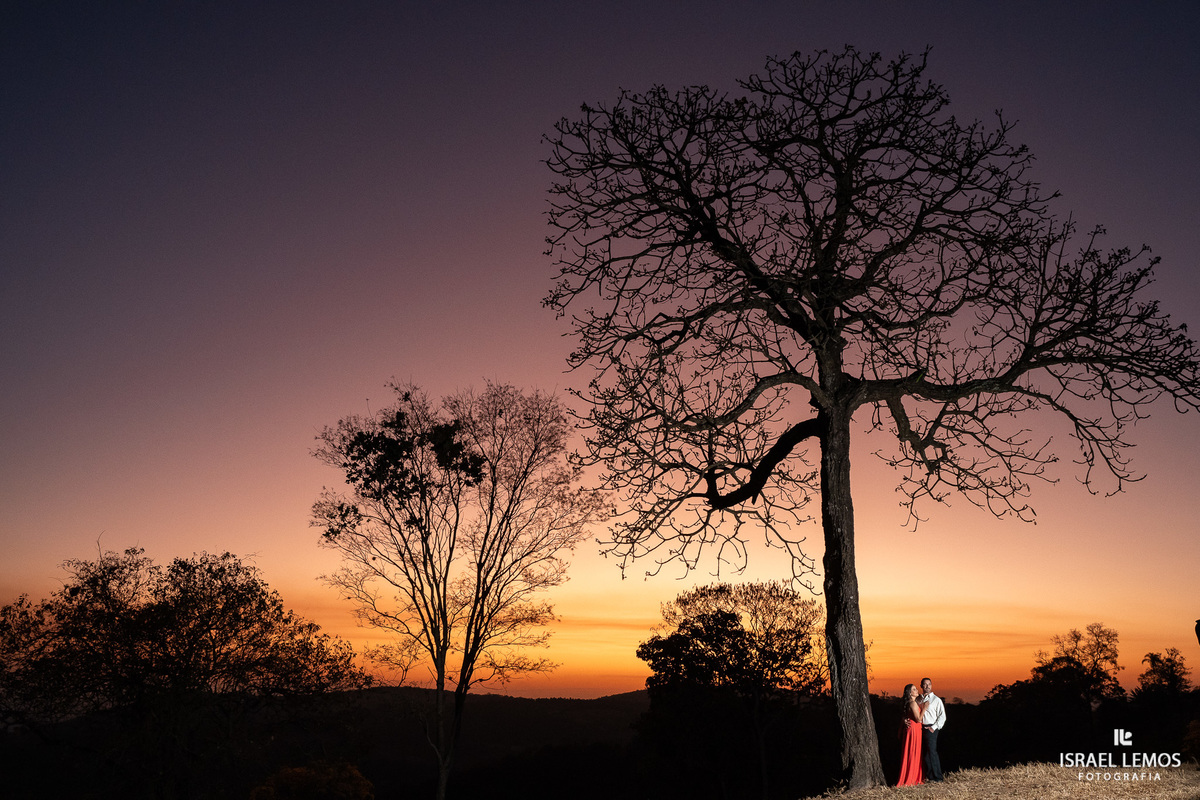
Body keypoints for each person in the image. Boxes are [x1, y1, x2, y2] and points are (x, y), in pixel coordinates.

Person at [897, 683, 926, 786]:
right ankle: (912, 778)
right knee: (912, 752)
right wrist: (925, 708)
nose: (917, 690)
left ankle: (913, 776)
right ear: (910, 693)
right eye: (914, 689)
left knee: (911, 752)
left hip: (912, 729)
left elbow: (904, 717)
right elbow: (918, 719)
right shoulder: (912, 703)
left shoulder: (910, 702)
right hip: (914, 729)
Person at [920, 677, 947, 782]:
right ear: (921, 686)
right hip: (920, 728)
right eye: (925, 684)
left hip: (931, 728)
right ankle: (930, 777)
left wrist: (933, 727)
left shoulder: (936, 700)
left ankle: (938, 778)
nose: (927, 686)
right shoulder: (919, 699)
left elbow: (942, 716)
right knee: (925, 754)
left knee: (932, 752)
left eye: (929, 684)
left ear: (931, 685)